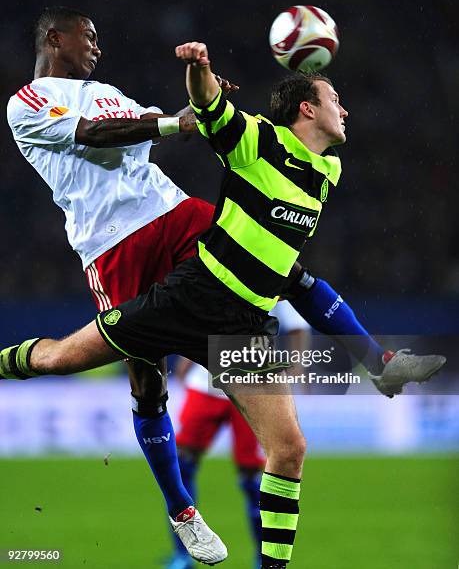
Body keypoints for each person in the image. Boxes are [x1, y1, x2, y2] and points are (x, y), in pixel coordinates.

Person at [2, 39, 446, 568]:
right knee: (89, 368)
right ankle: (180, 510)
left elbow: (180, 121)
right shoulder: (254, 139)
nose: (345, 109)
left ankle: (379, 367)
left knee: (290, 444)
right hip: (153, 273)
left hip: (224, 291)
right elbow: (199, 111)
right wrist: (199, 74)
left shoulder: (328, 172)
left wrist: (184, 109)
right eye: (334, 99)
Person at [166, 301, 310, 569]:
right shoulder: (212, 271)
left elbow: (298, 327)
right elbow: (200, 324)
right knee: (181, 465)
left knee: (253, 478)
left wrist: (296, 366)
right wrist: (186, 361)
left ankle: (262, 557)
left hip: (253, 387)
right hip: (205, 383)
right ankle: (182, 554)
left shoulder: (272, 277)